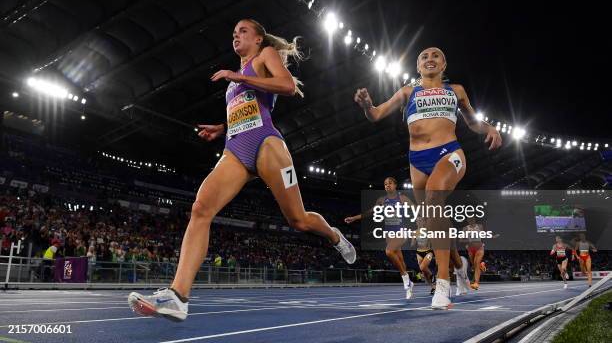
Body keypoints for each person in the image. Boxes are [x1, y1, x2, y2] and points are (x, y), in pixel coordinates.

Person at [128, 19, 356, 321]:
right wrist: (222, 128)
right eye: (234, 33)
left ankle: (334, 236)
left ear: (259, 38)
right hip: (236, 148)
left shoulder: (264, 57)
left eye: (243, 31)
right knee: (201, 208)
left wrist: (238, 75)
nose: (236, 36)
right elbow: (246, 109)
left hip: (267, 144)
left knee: (298, 220)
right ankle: (178, 296)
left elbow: (287, 86)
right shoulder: (236, 82)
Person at [353, 47, 502, 309]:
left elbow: (472, 123)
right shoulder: (407, 91)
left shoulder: (456, 90)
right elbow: (375, 114)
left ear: (444, 64)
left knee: (434, 197)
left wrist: (489, 127)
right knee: (432, 222)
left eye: (435, 56)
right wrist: (366, 105)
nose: (430, 59)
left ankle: (442, 285)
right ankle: (459, 265)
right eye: (424, 57)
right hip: (417, 161)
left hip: (449, 152)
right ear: (417, 66)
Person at [345, 177, 414, 299]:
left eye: (390, 183)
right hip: (389, 233)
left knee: (388, 252)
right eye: (385, 184)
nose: (387, 186)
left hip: (401, 231)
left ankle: (406, 279)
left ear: (395, 185)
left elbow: (415, 209)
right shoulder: (382, 200)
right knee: (400, 260)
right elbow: (369, 212)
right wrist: (354, 218)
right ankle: (409, 285)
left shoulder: (402, 198)